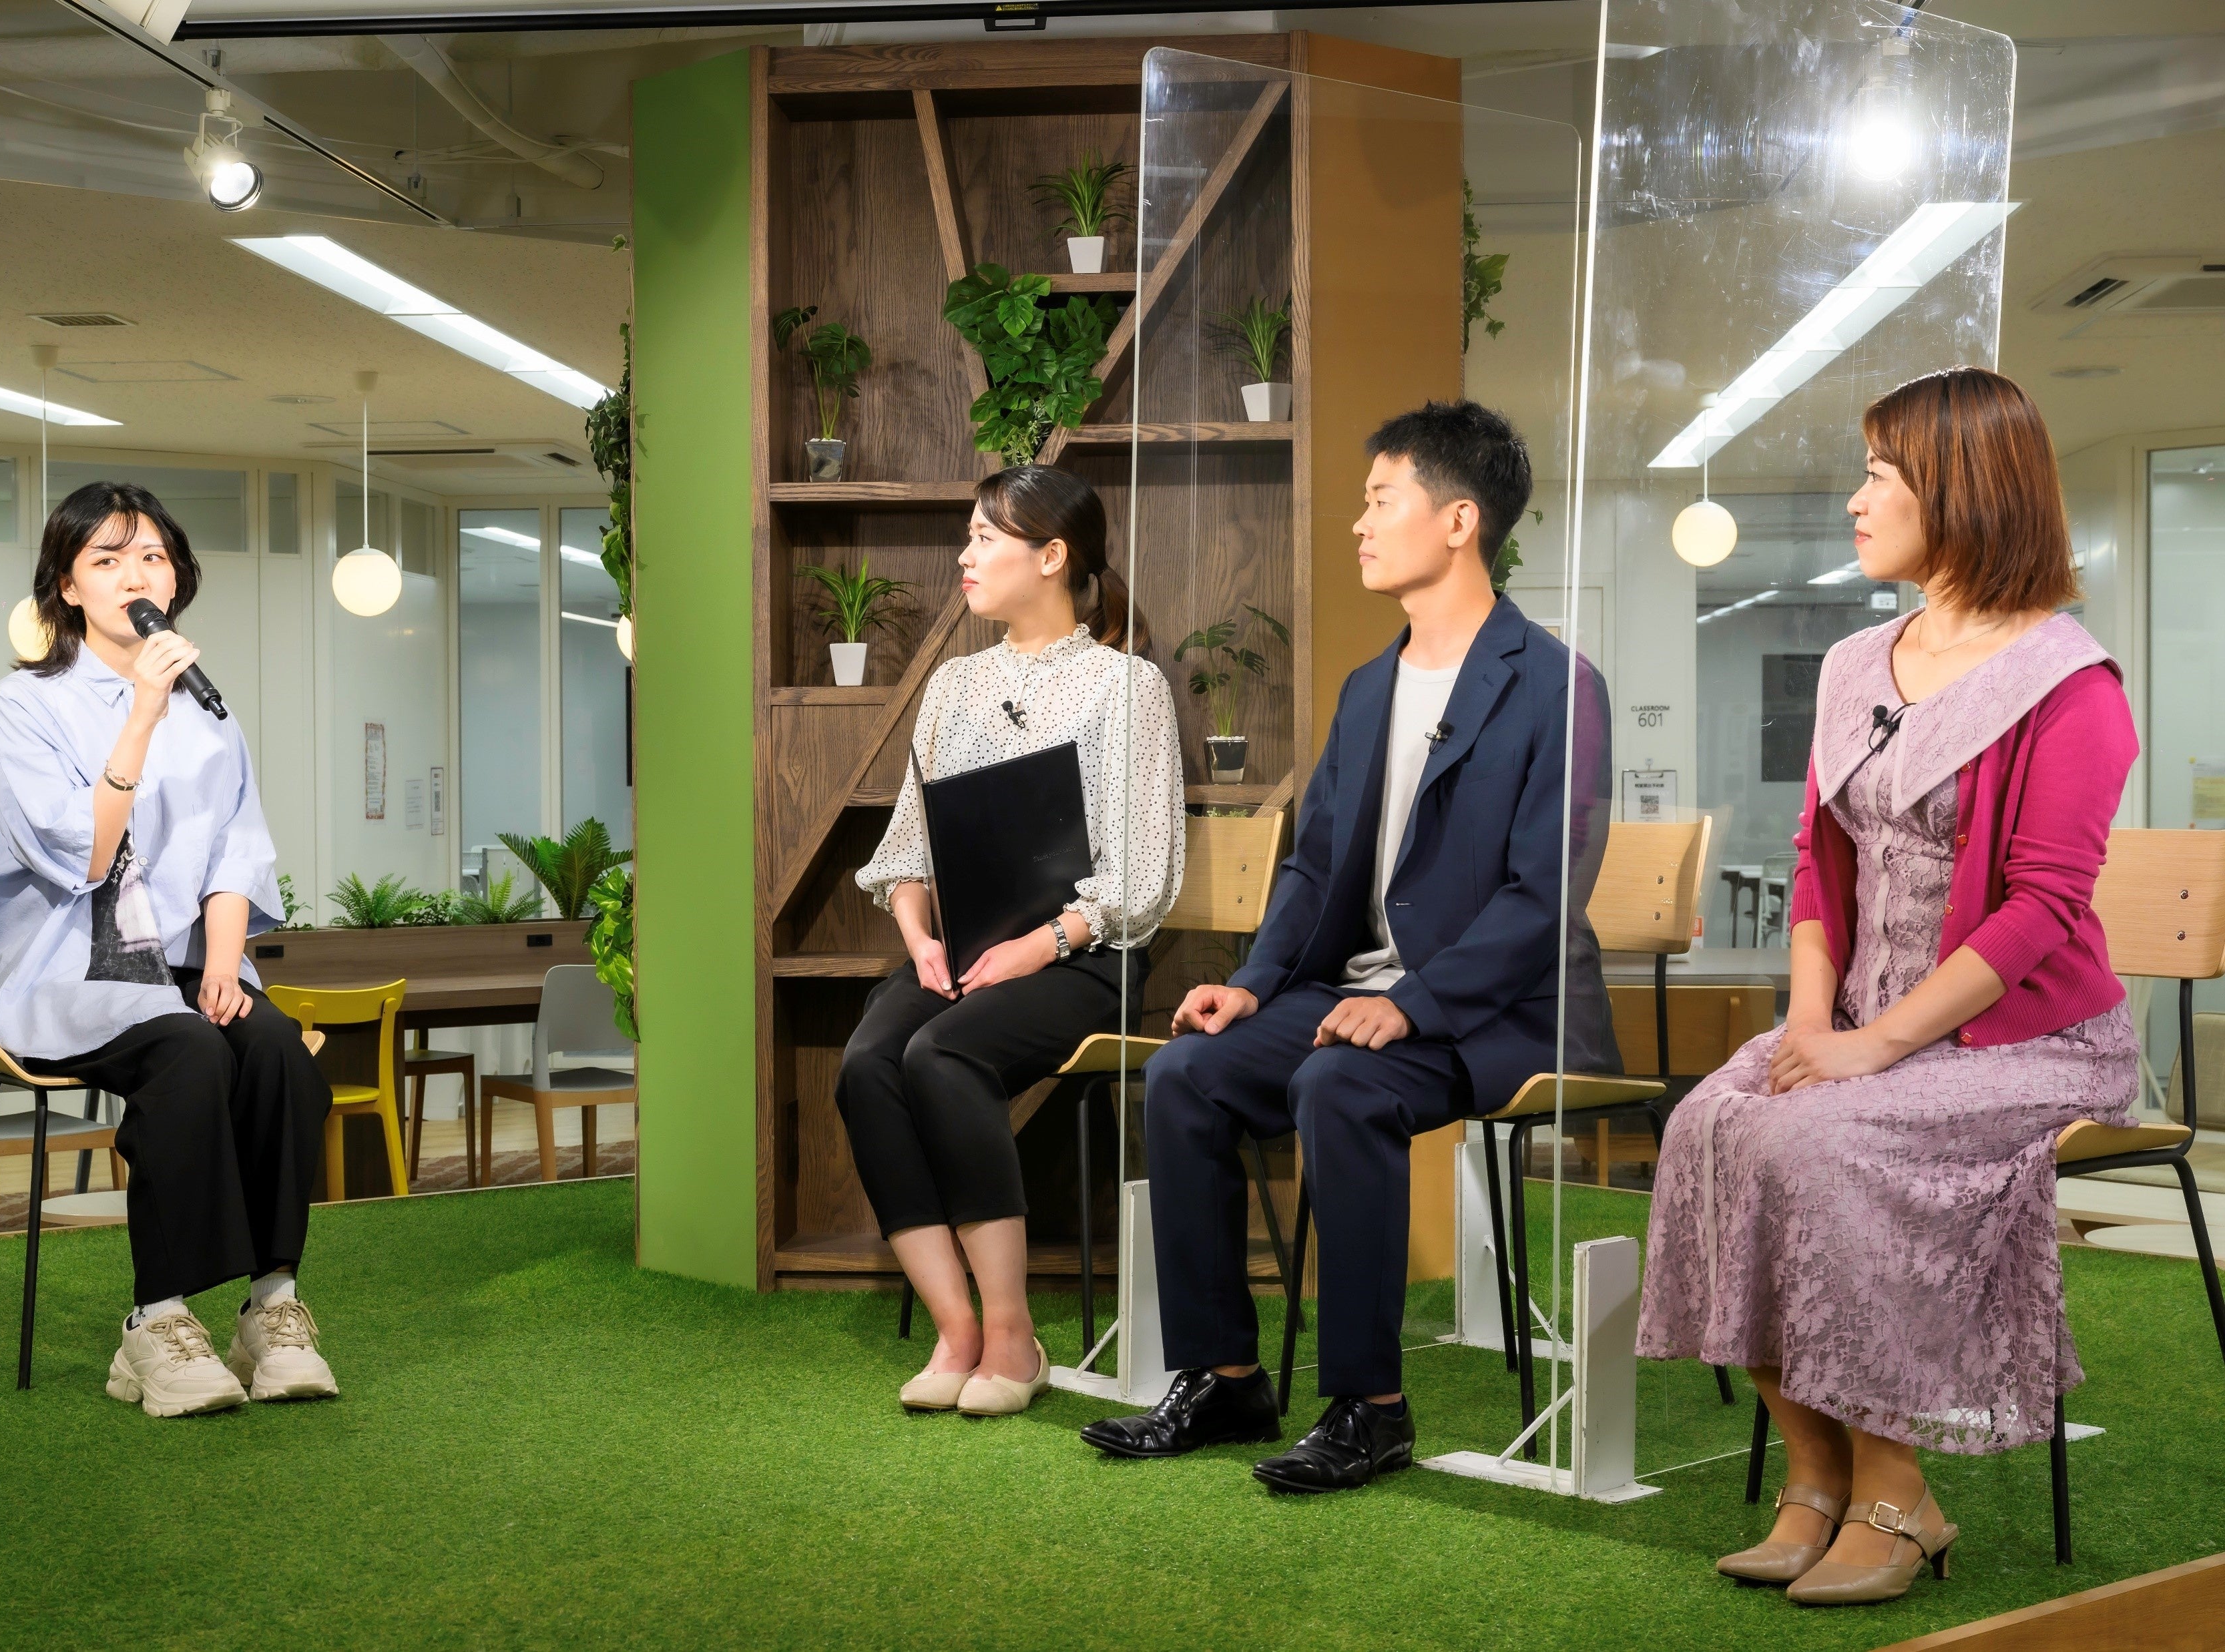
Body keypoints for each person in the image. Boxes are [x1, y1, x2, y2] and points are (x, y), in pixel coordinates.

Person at [1636, 368, 2141, 1607]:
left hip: (2027, 1042)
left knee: (1815, 1142)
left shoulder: (2071, 684)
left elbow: (2042, 908)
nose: (1856, 500)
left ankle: (1896, 1491)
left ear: (1961, 490)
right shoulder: (1858, 661)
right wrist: (1814, 1025)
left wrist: (1870, 1051)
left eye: (1878, 475)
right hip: (1861, 1020)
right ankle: (1813, 1478)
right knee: (1708, 1125)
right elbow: (1820, 858)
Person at [1081, 401, 1613, 1490]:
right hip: (1351, 997)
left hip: (1496, 1012)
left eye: (1381, 500)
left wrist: (1412, 1003)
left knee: (1340, 1083)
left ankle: (1370, 1409)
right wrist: (1253, 984)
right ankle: (1225, 1378)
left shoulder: (1558, 685)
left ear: (1459, 520)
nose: (1360, 523)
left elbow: (1544, 896)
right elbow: (1316, 865)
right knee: (1185, 1074)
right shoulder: (1371, 687)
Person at [0, 481, 338, 1419]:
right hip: (72, 968)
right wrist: (140, 710)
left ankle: (272, 1305)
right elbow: (85, 858)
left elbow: (236, 851)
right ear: (67, 587)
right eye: (107, 559)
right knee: (188, 1052)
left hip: (183, 961)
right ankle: (158, 1319)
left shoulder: (213, 714)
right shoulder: (26, 704)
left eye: (152, 557)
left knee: (277, 1051)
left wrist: (223, 965)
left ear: (176, 581)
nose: (135, 576)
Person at [838, 464, 1184, 1418]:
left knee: (942, 1055)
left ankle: (1011, 1335)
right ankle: (955, 1330)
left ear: (1053, 556)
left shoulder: (1127, 687)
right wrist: (918, 937)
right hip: (962, 952)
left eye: (985, 537)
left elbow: (1143, 874)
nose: (966, 555)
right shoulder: (954, 685)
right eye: (970, 536)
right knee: (868, 1063)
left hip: (1084, 959)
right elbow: (908, 846)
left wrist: (1043, 943)